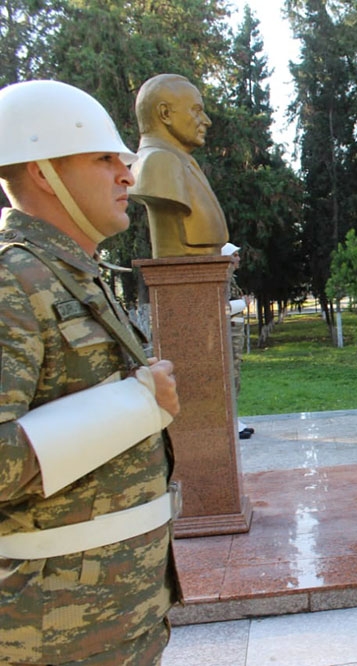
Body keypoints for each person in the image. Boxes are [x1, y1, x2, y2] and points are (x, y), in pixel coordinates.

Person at [0, 80, 180, 664]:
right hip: (53, 634)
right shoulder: (11, 281)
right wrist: (135, 405)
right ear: (42, 172)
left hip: (111, 621)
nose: (127, 175)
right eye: (104, 159)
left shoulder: (67, 272)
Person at [130, 73, 228, 258]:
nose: (206, 121)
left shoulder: (181, 160)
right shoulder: (159, 161)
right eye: (196, 110)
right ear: (165, 114)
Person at [222, 242, 254, 440]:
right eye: (234, 255)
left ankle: (234, 420)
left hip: (234, 334)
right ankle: (231, 423)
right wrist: (243, 303)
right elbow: (220, 306)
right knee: (231, 378)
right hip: (230, 334)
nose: (238, 258)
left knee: (235, 378)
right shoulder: (223, 279)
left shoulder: (229, 278)